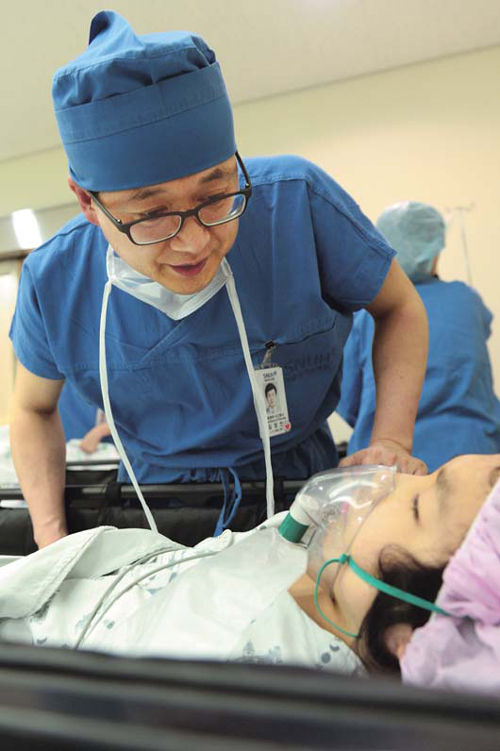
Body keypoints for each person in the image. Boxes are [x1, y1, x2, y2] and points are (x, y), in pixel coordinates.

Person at [8, 11, 428, 550]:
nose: (195, 241)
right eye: (152, 214)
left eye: (215, 195)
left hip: (301, 492)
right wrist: (51, 537)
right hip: (154, 511)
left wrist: (391, 438)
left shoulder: (295, 204)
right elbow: (31, 407)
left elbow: (399, 307)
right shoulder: (55, 279)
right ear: (89, 203)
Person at [0, 453, 497, 676]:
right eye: (428, 471)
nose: (394, 476)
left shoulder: (254, 672)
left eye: (417, 504)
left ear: (409, 637)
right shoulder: (321, 566)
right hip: (86, 591)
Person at [338, 201, 500, 472]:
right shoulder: (466, 299)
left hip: (387, 467)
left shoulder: (366, 314)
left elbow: (348, 399)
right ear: (433, 253)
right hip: (473, 459)